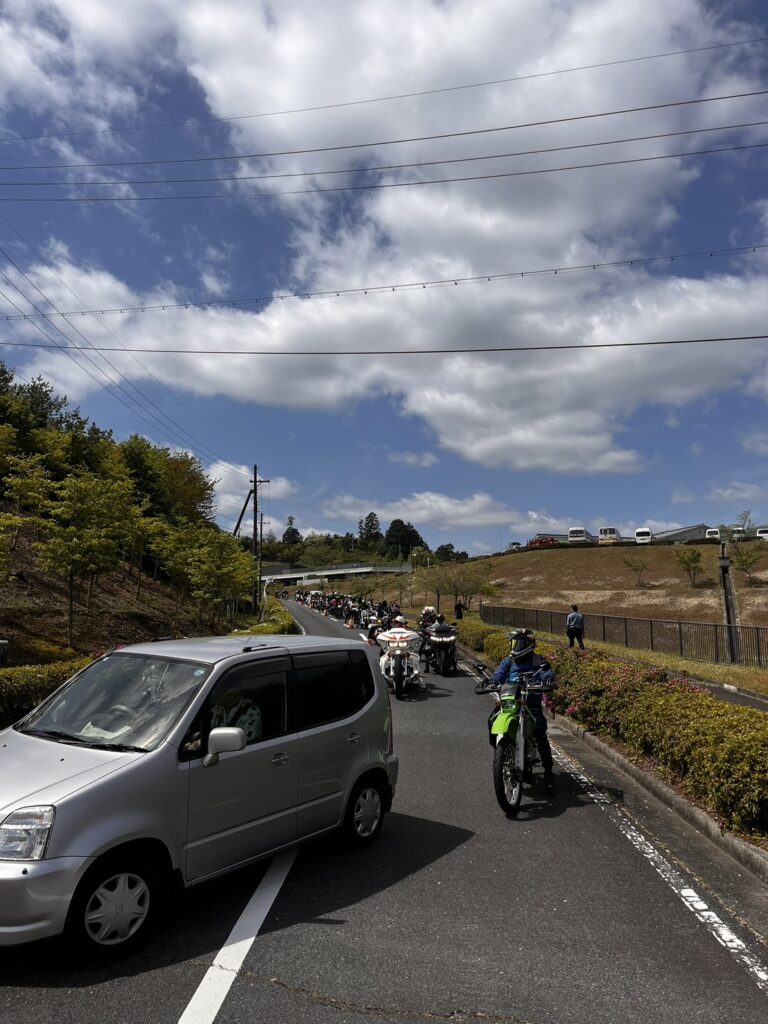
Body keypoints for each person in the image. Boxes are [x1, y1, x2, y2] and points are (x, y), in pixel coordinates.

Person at [489, 628, 556, 792]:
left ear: (529, 644)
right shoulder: (509, 661)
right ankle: (500, 753)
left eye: (519, 643)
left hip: (530, 704)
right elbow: (498, 675)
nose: (516, 646)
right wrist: (491, 682)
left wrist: (547, 680)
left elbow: (547, 673)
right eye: (514, 643)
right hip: (510, 702)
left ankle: (548, 772)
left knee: (539, 732)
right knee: (491, 720)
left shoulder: (538, 661)